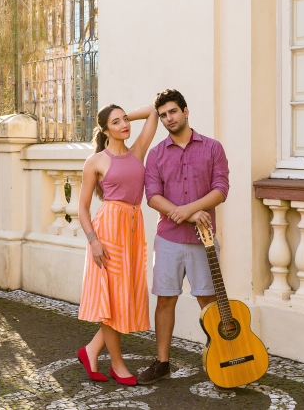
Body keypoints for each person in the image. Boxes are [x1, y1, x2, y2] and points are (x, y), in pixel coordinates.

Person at [137, 89, 230, 385]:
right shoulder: (156, 154)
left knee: (209, 301)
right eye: (163, 115)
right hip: (169, 240)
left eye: (173, 112)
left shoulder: (213, 148)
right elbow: (153, 196)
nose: (168, 119)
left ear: (186, 111)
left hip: (203, 239)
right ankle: (162, 362)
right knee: (165, 299)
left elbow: (221, 189)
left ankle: (221, 353)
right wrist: (189, 214)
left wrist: (189, 209)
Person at [77, 103, 159, 386]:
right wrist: (94, 242)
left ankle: (90, 352)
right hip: (108, 232)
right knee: (111, 299)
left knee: (123, 298)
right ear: (105, 129)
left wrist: (123, 115)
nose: (125, 125)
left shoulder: (137, 152)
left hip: (134, 231)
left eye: (125, 120)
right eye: (117, 122)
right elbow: (83, 209)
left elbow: (153, 112)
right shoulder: (96, 161)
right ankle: (117, 364)